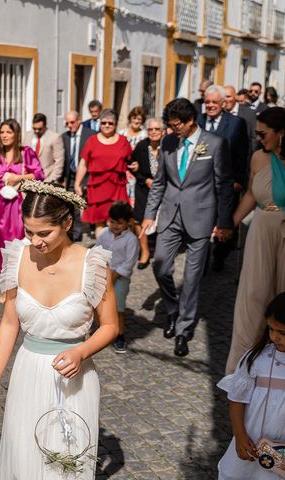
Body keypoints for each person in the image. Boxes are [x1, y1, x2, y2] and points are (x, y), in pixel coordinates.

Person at [0, 180, 118, 480]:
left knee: (67, 463)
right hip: (27, 373)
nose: (35, 241)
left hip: (74, 379)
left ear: (67, 223)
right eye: (29, 231)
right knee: (26, 458)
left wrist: (81, 351)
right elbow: (9, 323)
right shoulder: (18, 258)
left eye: (44, 233)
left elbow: (110, 326)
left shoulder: (92, 264)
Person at [141, 98, 234, 357]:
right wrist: (150, 214)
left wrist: (225, 221)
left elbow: (224, 185)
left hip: (201, 218)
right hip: (170, 215)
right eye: (169, 125)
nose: (172, 131)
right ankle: (172, 309)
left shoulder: (214, 144)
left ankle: (183, 328)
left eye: (175, 125)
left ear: (190, 122)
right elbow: (160, 182)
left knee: (192, 278)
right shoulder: (169, 142)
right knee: (160, 265)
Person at [225, 107, 285, 373]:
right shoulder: (258, 158)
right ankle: (244, 363)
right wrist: (230, 223)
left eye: (262, 133)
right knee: (254, 294)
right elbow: (250, 196)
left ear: (281, 133)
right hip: (261, 232)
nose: (258, 138)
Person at [217, 291, 285, 480]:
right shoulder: (256, 359)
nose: (275, 337)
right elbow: (237, 399)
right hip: (252, 443)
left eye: (283, 332)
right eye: (271, 329)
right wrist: (240, 435)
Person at [0, 119, 45, 269]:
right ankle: (5, 274)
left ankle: (22, 271)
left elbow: (39, 174)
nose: (4, 136)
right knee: (3, 240)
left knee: (20, 237)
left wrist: (19, 177)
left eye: (8, 132)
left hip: (19, 201)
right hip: (0, 204)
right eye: (2, 132)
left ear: (16, 134)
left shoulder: (26, 152)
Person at [197, 85, 250, 272]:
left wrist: (239, 180)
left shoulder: (236, 124)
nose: (210, 105)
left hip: (227, 184)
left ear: (223, 103)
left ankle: (219, 257)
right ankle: (201, 264)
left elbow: (242, 154)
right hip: (202, 184)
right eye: (207, 102)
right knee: (201, 225)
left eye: (214, 102)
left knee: (225, 224)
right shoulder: (198, 121)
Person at [75, 108, 132, 238]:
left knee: (119, 221)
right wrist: (77, 183)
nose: (107, 125)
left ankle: (119, 252)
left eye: (110, 123)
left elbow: (131, 162)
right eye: (104, 123)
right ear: (100, 123)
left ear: (116, 124)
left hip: (117, 186)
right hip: (98, 187)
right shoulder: (92, 140)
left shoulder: (123, 141)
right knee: (99, 222)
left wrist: (136, 166)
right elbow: (83, 163)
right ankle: (102, 253)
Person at [95, 201, 139, 353]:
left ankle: (120, 335)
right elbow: (97, 251)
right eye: (112, 222)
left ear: (128, 223)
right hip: (102, 274)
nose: (114, 226)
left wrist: (113, 276)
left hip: (120, 278)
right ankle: (102, 329)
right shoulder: (104, 234)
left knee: (118, 308)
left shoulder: (131, 240)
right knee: (99, 303)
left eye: (119, 223)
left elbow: (129, 262)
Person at [130, 118, 165, 269]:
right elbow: (131, 166)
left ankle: (162, 252)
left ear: (163, 131)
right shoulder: (141, 146)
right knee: (138, 219)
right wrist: (145, 180)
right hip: (144, 189)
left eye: (157, 129)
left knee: (164, 220)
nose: (154, 132)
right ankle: (144, 252)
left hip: (166, 190)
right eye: (151, 129)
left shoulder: (168, 145)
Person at [61, 111, 95, 241]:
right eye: (67, 123)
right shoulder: (64, 137)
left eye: (72, 122)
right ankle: (76, 234)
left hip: (88, 175)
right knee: (72, 204)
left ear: (79, 121)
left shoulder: (90, 135)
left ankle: (93, 228)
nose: (69, 125)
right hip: (71, 177)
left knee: (89, 203)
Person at [23, 112, 64, 183]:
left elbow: (59, 161)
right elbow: (23, 156)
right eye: (34, 128)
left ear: (45, 126)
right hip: (29, 180)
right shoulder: (28, 135)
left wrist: (51, 179)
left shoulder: (55, 137)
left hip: (47, 179)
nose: (36, 131)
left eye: (39, 129)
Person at [225, 85, 258, 158]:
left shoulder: (249, 113)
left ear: (235, 96)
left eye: (228, 96)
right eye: (223, 97)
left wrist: (251, 158)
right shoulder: (220, 114)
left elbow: (254, 138)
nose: (226, 100)